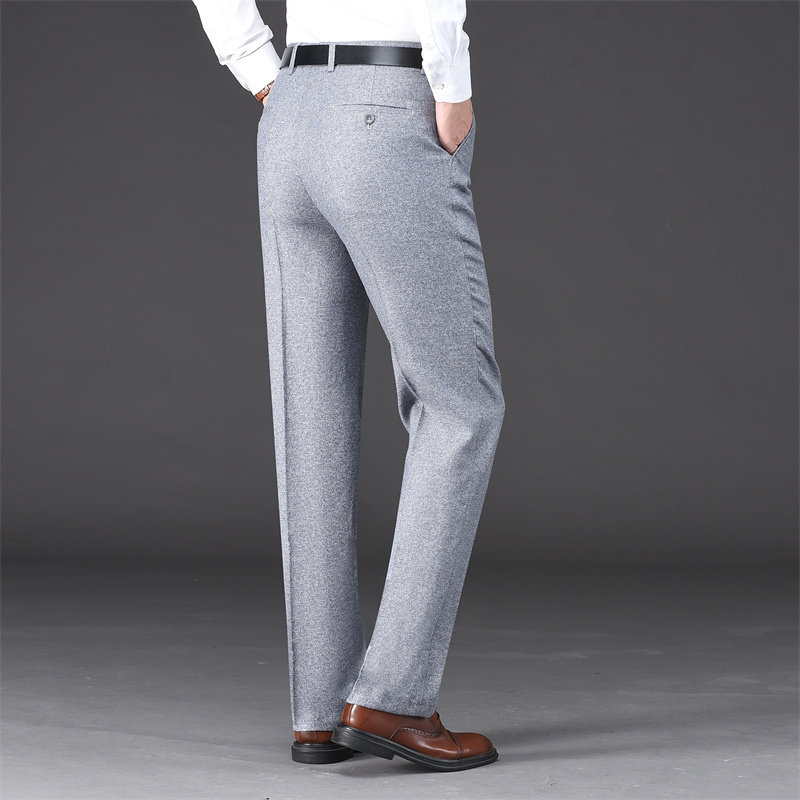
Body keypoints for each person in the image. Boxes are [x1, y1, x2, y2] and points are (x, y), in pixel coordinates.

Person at [191, 0, 505, 772]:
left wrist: (257, 66)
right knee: (460, 406)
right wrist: (452, 84)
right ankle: (392, 698)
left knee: (311, 415)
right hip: (390, 103)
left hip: (291, 113)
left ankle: (321, 710)